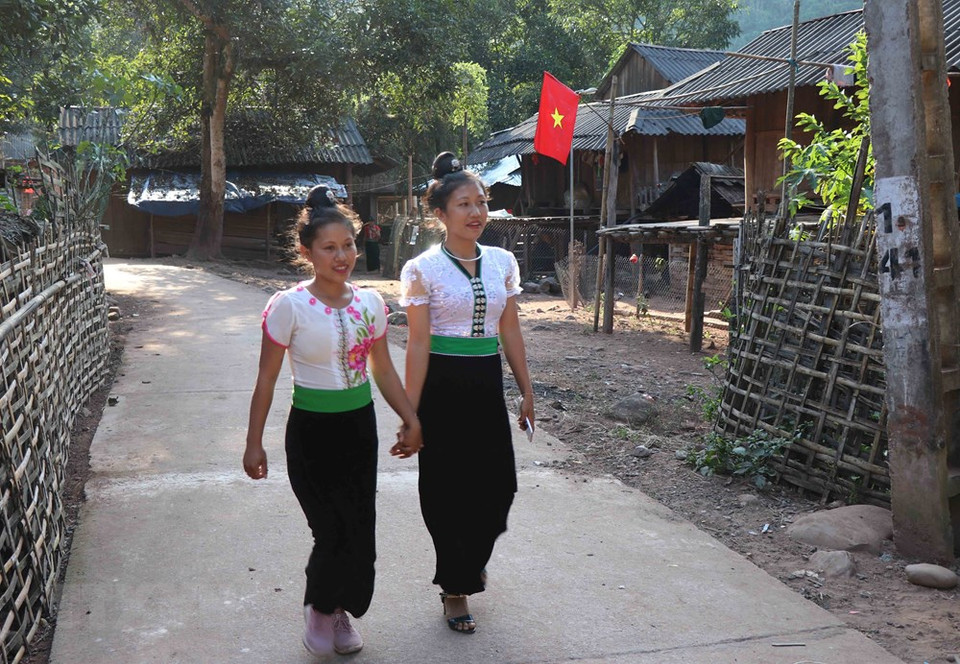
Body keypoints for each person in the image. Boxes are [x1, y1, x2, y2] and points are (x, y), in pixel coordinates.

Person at [244, 185, 422, 656]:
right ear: (306, 252)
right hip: (311, 435)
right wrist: (254, 443)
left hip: (358, 430)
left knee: (360, 532)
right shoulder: (289, 306)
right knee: (331, 530)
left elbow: (382, 368)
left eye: (348, 245)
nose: (342, 256)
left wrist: (409, 418)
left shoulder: (371, 304)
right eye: (329, 247)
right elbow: (266, 380)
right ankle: (320, 607)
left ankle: (339, 607)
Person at [400, 152, 535, 634]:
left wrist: (526, 389)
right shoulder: (422, 269)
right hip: (440, 386)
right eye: (464, 204)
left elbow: (511, 331)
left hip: (485, 383)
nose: (476, 212)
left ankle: (470, 557)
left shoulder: (503, 262)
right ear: (440, 214)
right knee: (446, 489)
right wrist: (410, 412)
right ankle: (454, 587)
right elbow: (417, 342)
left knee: (499, 488)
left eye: (481, 202)